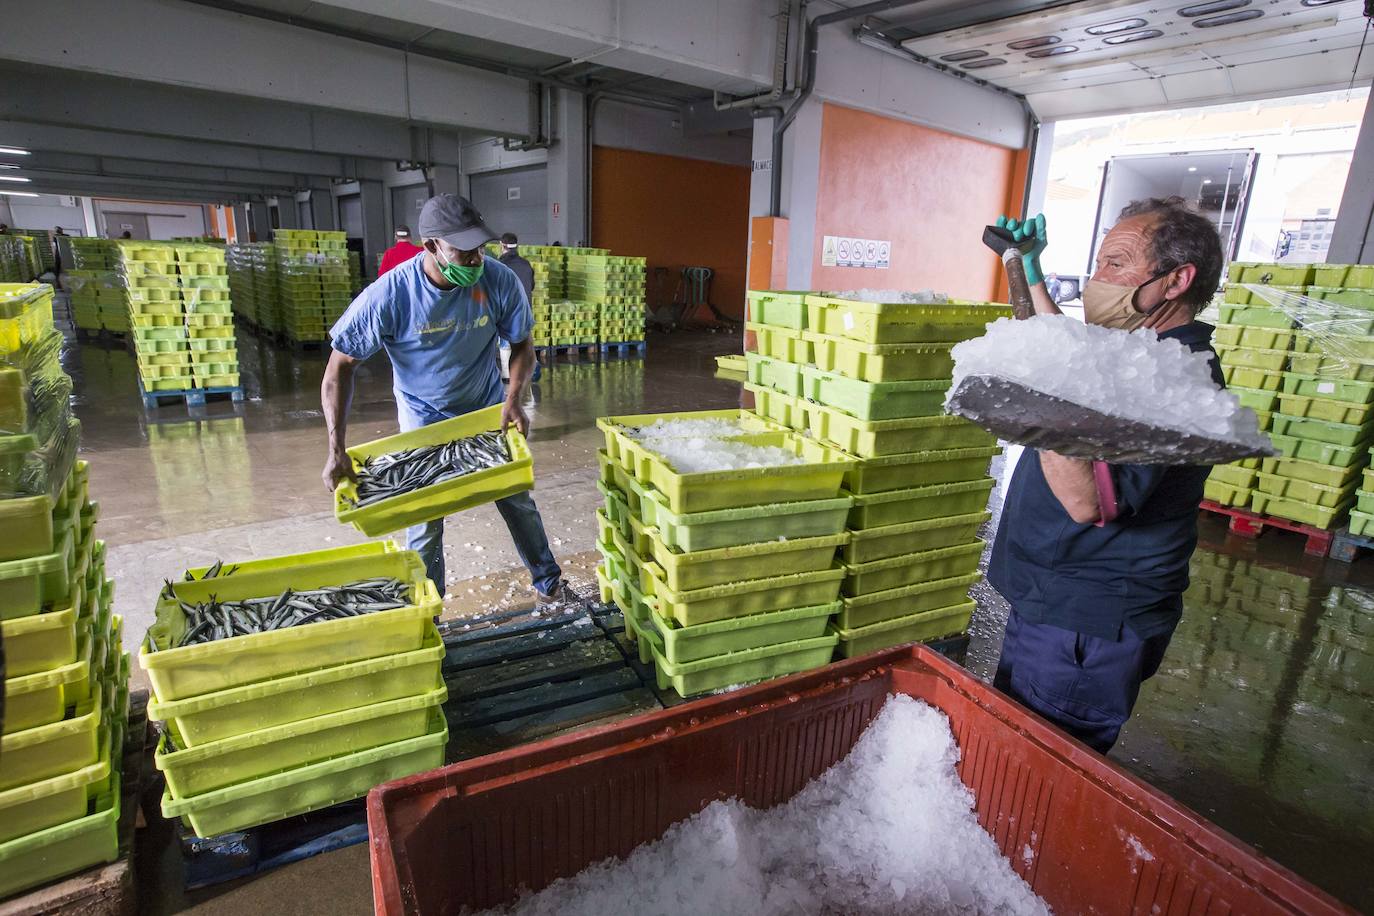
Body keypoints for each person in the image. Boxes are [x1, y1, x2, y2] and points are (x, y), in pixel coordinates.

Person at [986, 197, 1225, 754]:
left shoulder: (1174, 380)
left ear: (1175, 281)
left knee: (1040, 762)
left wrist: (1039, 406)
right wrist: (1024, 269)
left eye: (1117, 263)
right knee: (1012, 734)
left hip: (1087, 625)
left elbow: (1088, 500)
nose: (1099, 280)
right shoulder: (1138, 350)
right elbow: (1061, 349)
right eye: (1099, 263)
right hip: (1057, 601)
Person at [321, 194, 572, 604]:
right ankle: (432, 610)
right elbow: (338, 368)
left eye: (480, 248)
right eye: (464, 251)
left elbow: (522, 344)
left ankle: (549, 582)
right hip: (423, 418)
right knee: (424, 519)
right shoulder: (390, 294)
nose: (476, 259)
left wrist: (514, 399)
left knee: (516, 499)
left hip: (487, 408)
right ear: (431, 247)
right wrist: (336, 447)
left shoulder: (498, 279)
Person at [497, 233, 535, 300]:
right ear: (516, 246)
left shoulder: (499, 266)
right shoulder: (526, 264)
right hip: (526, 309)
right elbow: (531, 286)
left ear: (501, 245)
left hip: (508, 309)